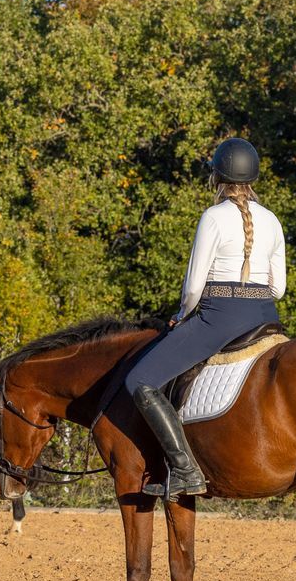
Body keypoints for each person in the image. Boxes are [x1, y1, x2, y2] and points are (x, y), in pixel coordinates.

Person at [121, 137, 286, 500]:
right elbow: (279, 289)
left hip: (220, 317)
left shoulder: (213, 217)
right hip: (265, 316)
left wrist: (182, 315)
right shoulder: (272, 221)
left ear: (217, 178)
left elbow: (194, 286)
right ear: (253, 177)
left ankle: (184, 470)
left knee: (141, 380)